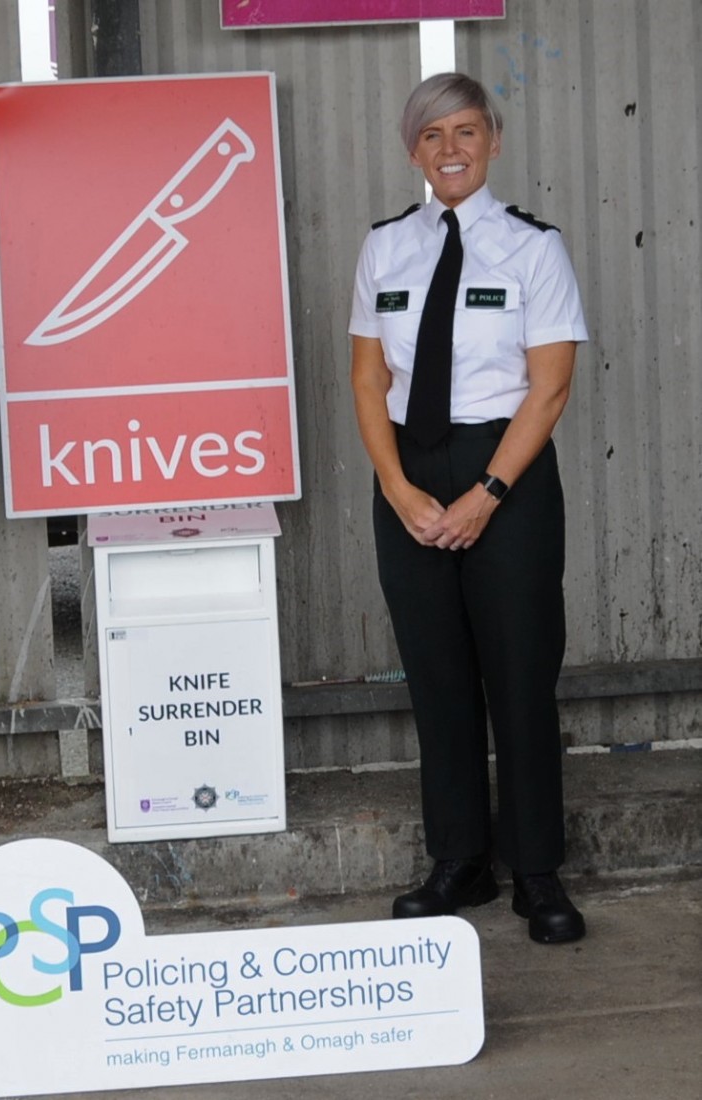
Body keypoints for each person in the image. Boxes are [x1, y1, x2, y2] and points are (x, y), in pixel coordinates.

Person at [348, 72, 588, 945]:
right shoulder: (385, 248)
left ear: (491, 141)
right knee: (437, 678)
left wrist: (485, 494)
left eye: (465, 133)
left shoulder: (533, 248)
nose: (448, 150)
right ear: (412, 150)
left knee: (519, 675)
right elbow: (368, 377)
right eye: (431, 136)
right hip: (409, 471)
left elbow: (549, 388)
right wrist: (397, 486)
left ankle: (535, 871)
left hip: (506, 471)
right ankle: (459, 861)